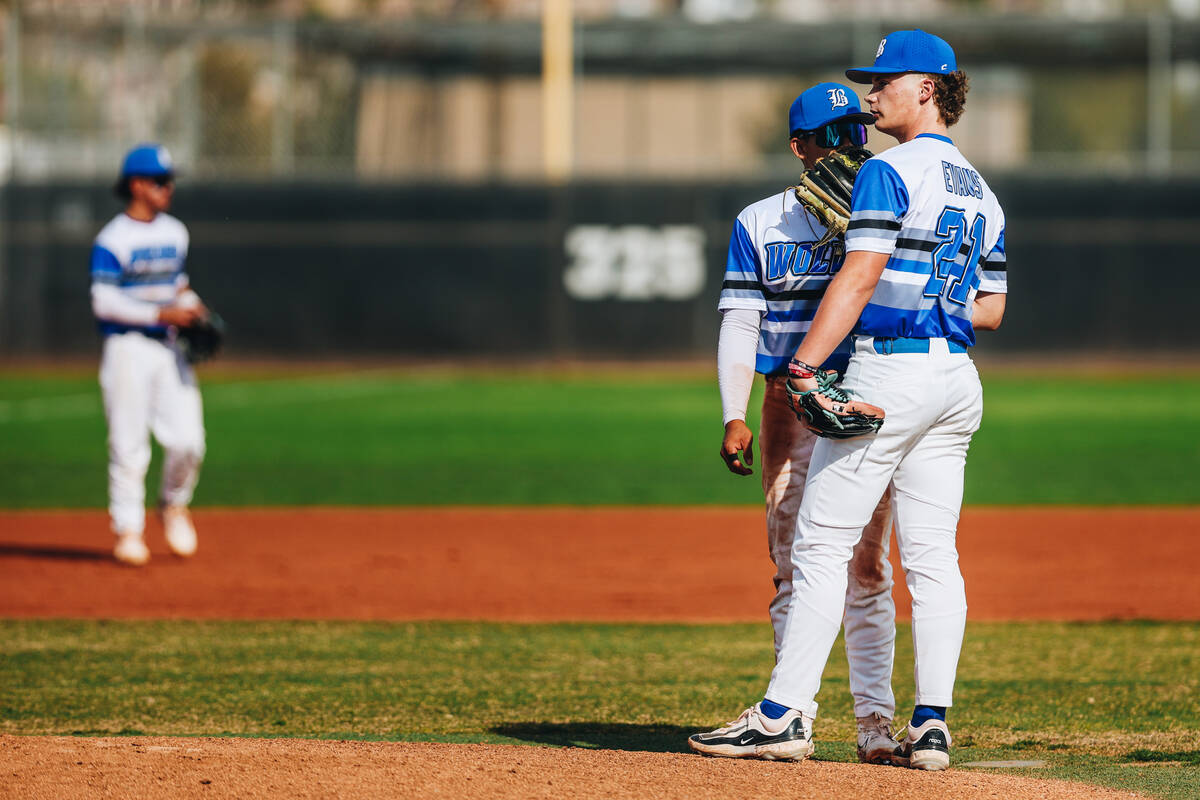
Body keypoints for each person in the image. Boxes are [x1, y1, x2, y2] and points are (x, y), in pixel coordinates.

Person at [691, 30, 1008, 770]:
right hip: (954, 380)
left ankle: (781, 716)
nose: (872, 97)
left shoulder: (890, 170)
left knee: (821, 545)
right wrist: (932, 308)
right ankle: (930, 725)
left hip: (887, 373)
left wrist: (802, 366)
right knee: (932, 557)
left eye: (884, 82)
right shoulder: (978, 188)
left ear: (927, 88)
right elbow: (991, 309)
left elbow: (861, 276)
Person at [688, 82, 903, 765]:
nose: (848, 146)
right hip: (787, 401)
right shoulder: (761, 222)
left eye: (854, 132)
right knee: (792, 565)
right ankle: (793, 716)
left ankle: (875, 725)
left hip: (861, 394)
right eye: (832, 135)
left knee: (867, 568)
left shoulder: (885, 214)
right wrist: (733, 412)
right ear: (799, 147)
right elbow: (741, 320)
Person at [90, 144, 209, 566]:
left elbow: (178, 284)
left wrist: (193, 307)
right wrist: (162, 313)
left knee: (189, 442)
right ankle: (128, 530)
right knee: (128, 443)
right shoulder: (113, 239)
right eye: (160, 181)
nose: (168, 187)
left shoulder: (175, 232)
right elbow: (102, 301)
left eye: (170, 180)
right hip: (127, 346)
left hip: (169, 347)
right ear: (136, 185)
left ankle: (173, 504)